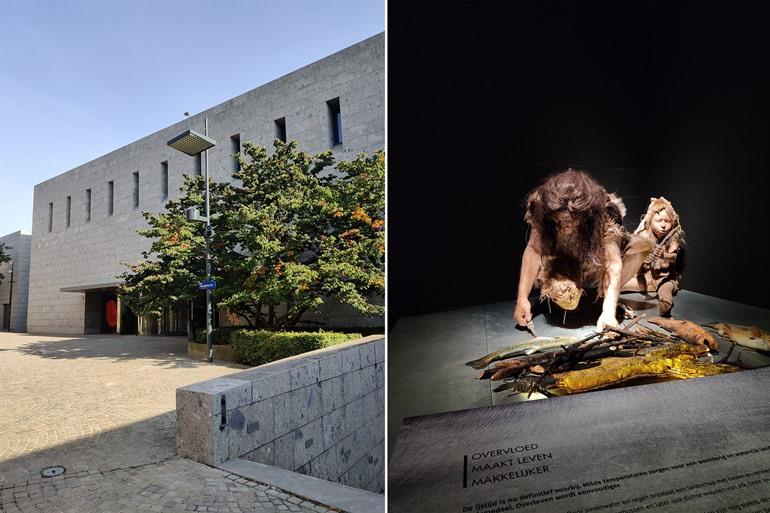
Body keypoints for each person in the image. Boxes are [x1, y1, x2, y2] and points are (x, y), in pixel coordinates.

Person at [513, 169, 651, 331]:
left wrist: (608, 311)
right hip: (560, 266)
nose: (565, 227)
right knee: (568, 300)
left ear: (587, 214)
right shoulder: (541, 208)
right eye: (558, 220)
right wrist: (522, 298)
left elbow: (613, 263)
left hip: (592, 265)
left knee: (642, 247)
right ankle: (565, 291)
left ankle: (603, 297)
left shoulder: (602, 213)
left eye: (571, 220)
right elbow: (534, 251)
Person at [622, 197, 685, 317]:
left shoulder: (673, 238)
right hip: (644, 279)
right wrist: (644, 260)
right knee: (620, 283)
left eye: (667, 221)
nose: (663, 225)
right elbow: (633, 259)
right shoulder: (643, 235)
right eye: (659, 221)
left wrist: (663, 255)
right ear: (650, 221)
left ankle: (665, 302)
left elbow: (674, 257)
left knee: (666, 288)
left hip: (664, 277)